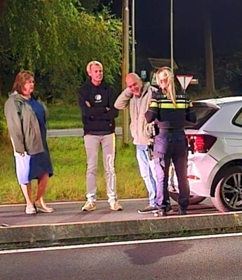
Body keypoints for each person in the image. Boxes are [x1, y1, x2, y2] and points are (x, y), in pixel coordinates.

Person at [145, 67, 195, 216]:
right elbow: (192, 119)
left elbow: (149, 117)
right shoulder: (184, 97)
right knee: (182, 175)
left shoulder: (158, 97)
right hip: (180, 138)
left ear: (162, 81)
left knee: (162, 176)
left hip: (163, 139)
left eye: (160, 81)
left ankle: (162, 206)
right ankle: (183, 207)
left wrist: (151, 107)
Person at [4, 70, 54, 215]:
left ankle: (39, 199)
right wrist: (19, 146)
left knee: (45, 171)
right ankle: (29, 202)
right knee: (26, 173)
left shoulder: (35, 99)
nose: (31, 85)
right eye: (28, 82)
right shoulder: (14, 102)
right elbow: (14, 125)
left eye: (32, 82)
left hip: (40, 140)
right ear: (20, 84)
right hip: (25, 143)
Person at [78, 60, 121, 212]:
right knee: (92, 167)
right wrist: (104, 109)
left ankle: (113, 199)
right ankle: (91, 199)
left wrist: (96, 111)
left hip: (108, 132)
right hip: (91, 133)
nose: (99, 74)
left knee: (109, 166)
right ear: (89, 73)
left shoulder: (109, 89)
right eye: (96, 71)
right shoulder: (84, 91)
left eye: (100, 71)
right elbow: (86, 112)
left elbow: (114, 112)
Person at [114, 72, 158, 214]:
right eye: (130, 86)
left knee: (155, 173)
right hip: (138, 142)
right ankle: (154, 200)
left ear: (141, 81)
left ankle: (158, 201)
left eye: (135, 84)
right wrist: (129, 90)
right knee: (145, 174)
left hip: (151, 142)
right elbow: (118, 104)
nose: (134, 88)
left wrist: (151, 130)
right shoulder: (131, 97)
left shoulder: (152, 93)